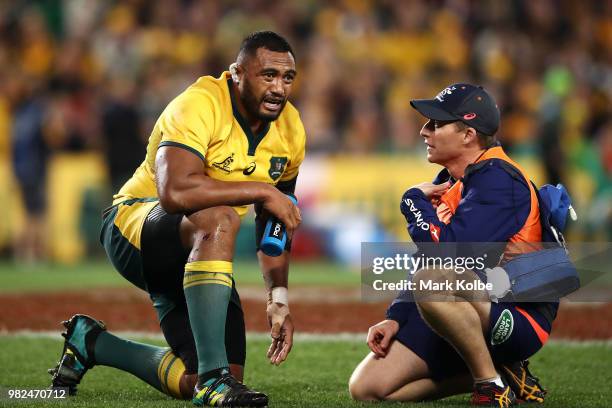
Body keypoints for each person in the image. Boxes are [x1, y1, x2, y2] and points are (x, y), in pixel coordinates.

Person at [49, 31, 305, 407]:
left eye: (287, 78)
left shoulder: (291, 130)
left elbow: (275, 223)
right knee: (219, 218)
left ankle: (91, 343)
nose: (279, 88)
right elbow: (175, 194)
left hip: (198, 247)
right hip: (132, 226)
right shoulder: (200, 103)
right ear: (237, 73)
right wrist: (264, 190)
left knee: (203, 378)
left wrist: (278, 298)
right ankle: (214, 379)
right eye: (267, 75)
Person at [349, 84, 553, 407]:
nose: (424, 131)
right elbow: (428, 259)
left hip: (517, 315)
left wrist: (413, 201)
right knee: (366, 388)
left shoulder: (501, 180)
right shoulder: (459, 178)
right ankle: (500, 373)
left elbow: (447, 254)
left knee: (432, 281)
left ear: (468, 134)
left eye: (435, 124)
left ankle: (490, 386)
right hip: (466, 303)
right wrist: (396, 316)